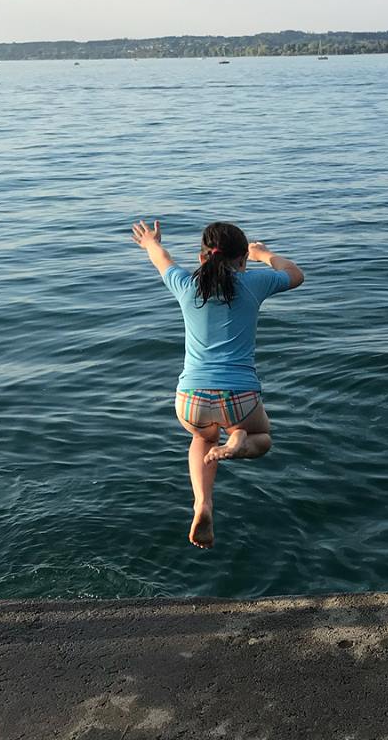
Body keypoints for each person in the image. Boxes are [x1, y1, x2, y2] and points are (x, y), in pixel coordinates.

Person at [131, 219, 304, 549]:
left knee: (202, 438)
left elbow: (161, 258)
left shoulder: (184, 284)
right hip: (239, 396)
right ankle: (239, 440)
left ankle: (202, 504)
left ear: (202, 257)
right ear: (242, 261)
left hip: (190, 398)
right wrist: (264, 255)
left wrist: (150, 242)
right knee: (263, 439)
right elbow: (295, 274)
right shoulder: (254, 282)